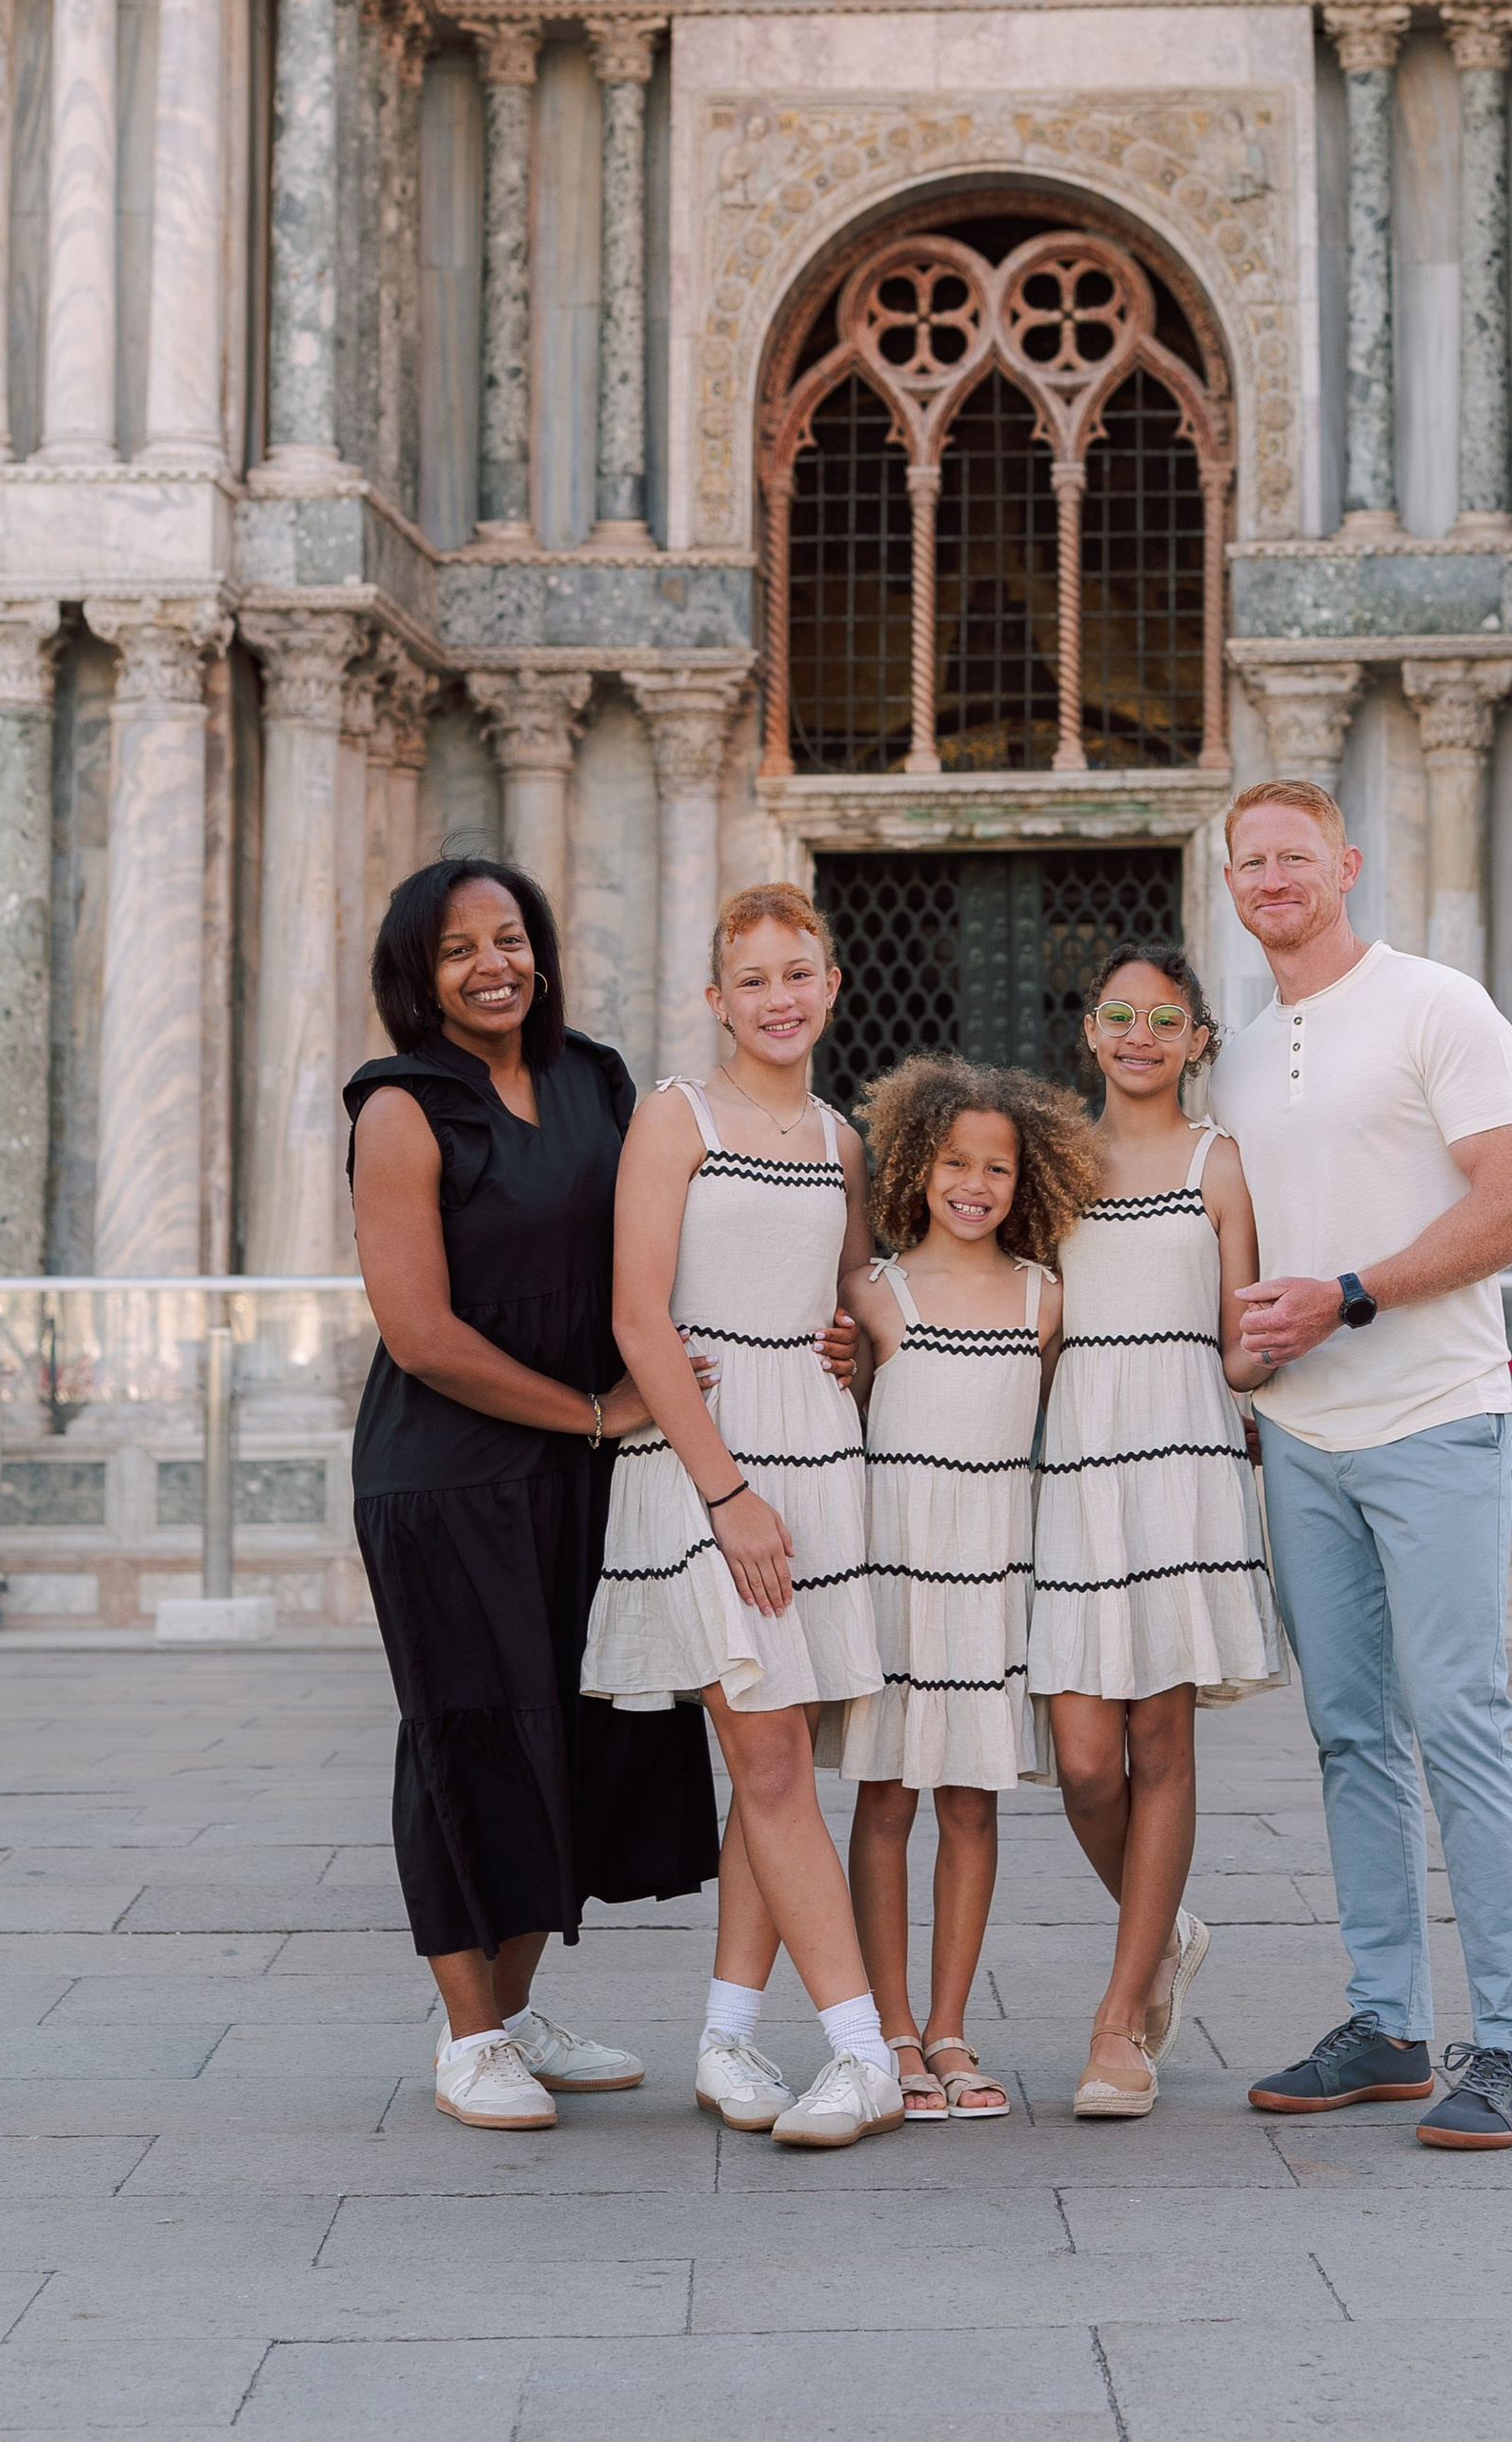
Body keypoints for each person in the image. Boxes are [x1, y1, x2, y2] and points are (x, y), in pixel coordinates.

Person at [1209, 780, 1512, 2150]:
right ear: (1230, 880)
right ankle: (1386, 2024)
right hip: (1302, 1436)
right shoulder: (1237, 1055)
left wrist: (1350, 1294)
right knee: (1351, 1735)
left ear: (1346, 864)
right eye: (1252, 860)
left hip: (1436, 1416)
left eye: (1298, 854)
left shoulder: (1438, 1005)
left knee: (1463, 1721)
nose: (1275, 876)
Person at [346, 859, 719, 2133]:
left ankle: (511, 2009)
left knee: (574, 1724)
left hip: (588, 1460)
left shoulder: (595, 1080)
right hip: (448, 1474)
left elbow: (662, 1248)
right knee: (466, 1725)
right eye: (460, 951)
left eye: (510, 939)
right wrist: (602, 1413)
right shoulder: (403, 1109)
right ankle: (466, 2035)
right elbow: (421, 1334)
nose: (493, 964)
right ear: (418, 975)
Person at [583, 887, 905, 2151]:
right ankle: (864, 2054)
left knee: (768, 1761)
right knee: (770, 1764)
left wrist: (859, 1348)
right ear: (718, 999)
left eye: (799, 973)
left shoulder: (840, 1141)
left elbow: (849, 1298)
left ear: (832, 986)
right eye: (753, 979)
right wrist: (726, 1494)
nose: (779, 997)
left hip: (818, 1455)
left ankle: (725, 2039)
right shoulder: (675, 1118)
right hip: (707, 1461)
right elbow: (635, 1316)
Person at [1028, 944, 1282, 2122]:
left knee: (1159, 1740)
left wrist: (1299, 1341)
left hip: (1182, 1459)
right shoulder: (1050, 1158)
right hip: (1076, 1461)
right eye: (1119, 1013)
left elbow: (1240, 1338)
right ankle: (1165, 1926)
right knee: (1083, 1759)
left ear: (1197, 1040)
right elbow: (1014, 1315)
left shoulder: (1216, 1161)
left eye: (1164, 1018)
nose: (1139, 1033)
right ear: (1089, 1030)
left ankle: (1118, 2019)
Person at [837, 1058, 1098, 2124]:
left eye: (997, 1165)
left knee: (973, 1804)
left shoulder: (1046, 1297)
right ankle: (890, 2026)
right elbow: (844, 1425)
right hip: (899, 1573)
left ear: (1024, 1177)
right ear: (917, 1163)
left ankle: (949, 2025)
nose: (975, 1183)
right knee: (886, 1798)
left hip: (991, 1575)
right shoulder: (875, 1295)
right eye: (955, 1161)